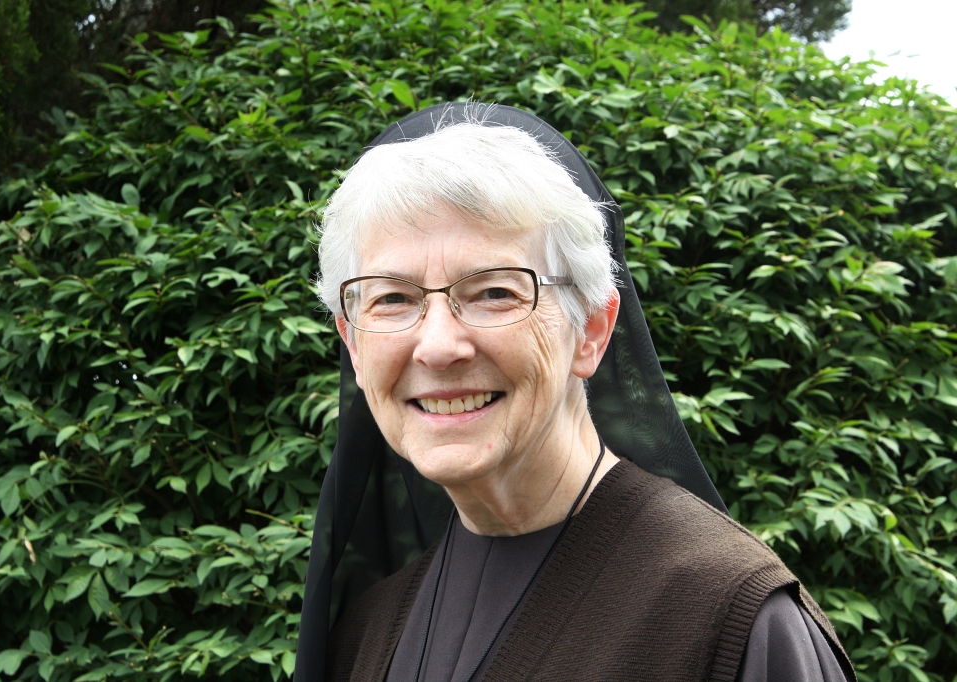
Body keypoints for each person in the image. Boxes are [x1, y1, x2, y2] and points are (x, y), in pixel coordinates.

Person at [295, 103, 855, 682]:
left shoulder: (733, 624)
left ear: (591, 330)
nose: (437, 347)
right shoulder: (367, 630)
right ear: (352, 343)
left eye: (494, 292)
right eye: (392, 299)